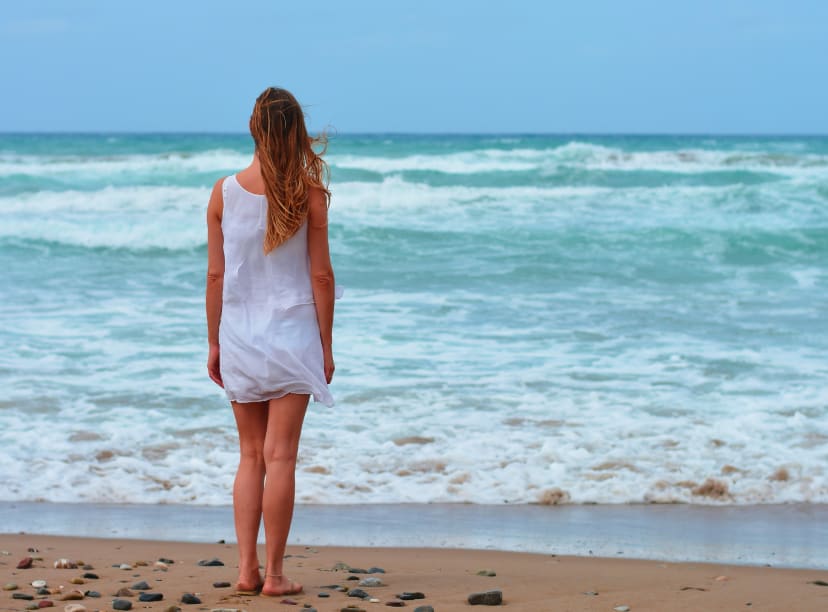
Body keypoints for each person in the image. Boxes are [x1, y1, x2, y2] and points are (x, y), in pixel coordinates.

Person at [205, 87, 339, 597]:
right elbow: (321, 277)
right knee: (281, 457)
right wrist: (325, 345)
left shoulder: (223, 192)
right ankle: (276, 575)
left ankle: (245, 570)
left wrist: (213, 342)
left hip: (239, 334)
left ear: (254, 128)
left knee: (249, 456)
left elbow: (216, 276)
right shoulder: (309, 193)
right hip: (292, 335)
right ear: (296, 131)